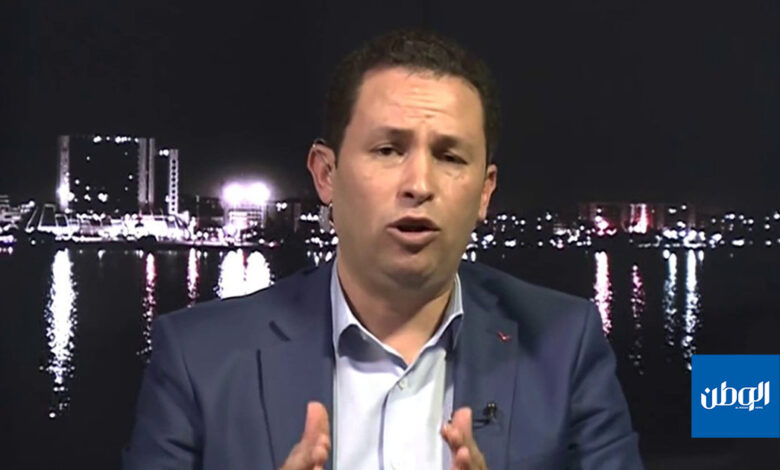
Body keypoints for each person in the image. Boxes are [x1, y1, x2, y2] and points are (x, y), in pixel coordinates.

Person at [122, 29, 643, 470]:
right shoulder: (199, 359)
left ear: (485, 192)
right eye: (389, 150)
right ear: (326, 174)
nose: (419, 184)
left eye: (450, 157)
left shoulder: (565, 346)